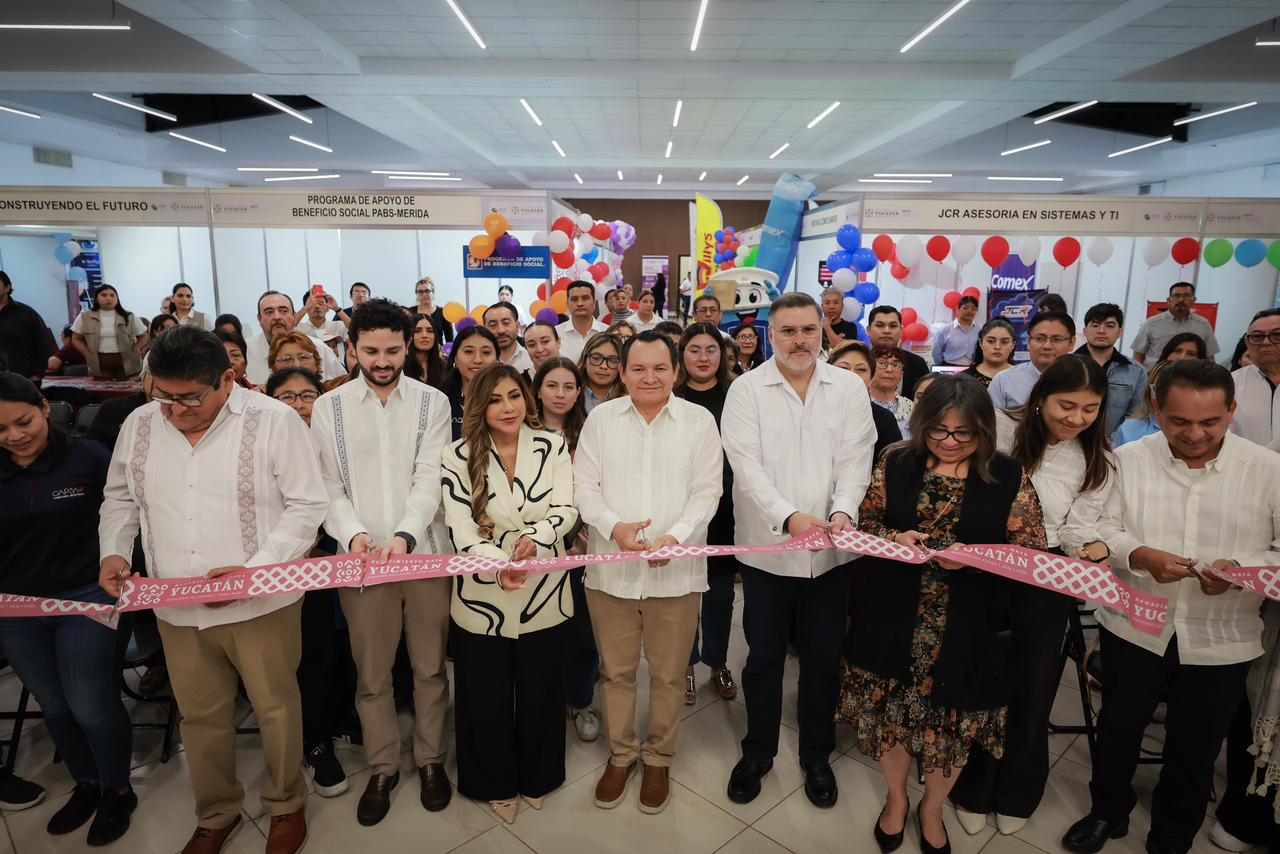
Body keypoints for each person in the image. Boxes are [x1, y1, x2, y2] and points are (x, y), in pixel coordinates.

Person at [98, 325, 326, 854]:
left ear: (227, 378)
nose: (176, 411)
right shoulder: (140, 423)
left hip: (261, 605)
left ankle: (286, 803)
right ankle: (216, 811)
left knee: (275, 708)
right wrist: (114, 551)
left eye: (190, 399)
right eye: (165, 396)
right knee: (200, 716)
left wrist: (255, 571)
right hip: (176, 606)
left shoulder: (273, 420)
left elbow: (307, 505)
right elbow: (120, 498)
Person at [1062, 360, 1280, 854]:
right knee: (1119, 727)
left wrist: (1240, 571)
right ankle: (1107, 811)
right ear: (1157, 410)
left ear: (1232, 411)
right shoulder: (1128, 459)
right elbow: (1089, 528)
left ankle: (1173, 834)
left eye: (1210, 422)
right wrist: (1138, 555)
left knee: (1197, 744)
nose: (1195, 434)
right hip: (1135, 623)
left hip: (1223, 635)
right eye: (1179, 421)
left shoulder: (1267, 469)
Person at [841, 376, 1047, 854]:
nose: (949, 442)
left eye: (963, 433)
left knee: (953, 724)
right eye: (938, 430)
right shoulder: (897, 461)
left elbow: (1030, 551)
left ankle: (932, 807)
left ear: (984, 430)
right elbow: (866, 521)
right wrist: (895, 539)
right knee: (893, 714)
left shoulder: (1007, 475)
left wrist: (973, 558)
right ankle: (896, 799)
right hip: (893, 613)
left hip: (969, 625)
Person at [720, 292, 877, 809]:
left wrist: (844, 511)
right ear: (771, 334)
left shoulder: (847, 387)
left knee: (823, 660)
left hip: (832, 552)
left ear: (821, 331)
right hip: (767, 552)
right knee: (763, 658)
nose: (799, 340)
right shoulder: (746, 390)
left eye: (808, 329)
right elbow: (747, 468)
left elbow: (857, 457)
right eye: (787, 331)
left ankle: (816, 754)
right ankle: (758, 750)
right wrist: (789, 518)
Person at [951, 356, 1114, 836]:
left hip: (1048, 577)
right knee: (982, 679)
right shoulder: (1000, 432)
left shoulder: (1098, 460)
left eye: (1089, 409)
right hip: (984, 570)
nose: (1076, 418)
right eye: (1067, 405)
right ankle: (970, 788)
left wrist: (1090, 550)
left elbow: (1079, 527)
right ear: (1041, 398)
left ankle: (1017, 791)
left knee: (1033, 686)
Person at [310, 298, 455, 826]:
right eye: (371, 351)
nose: (383, 360)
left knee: (430, 667)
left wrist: (405, 536)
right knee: (371, 674)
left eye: (393, 350)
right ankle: (382, 767)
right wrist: (352, 535)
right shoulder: (329, 408)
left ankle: (431, 759)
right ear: (353, 348)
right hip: (362, 564)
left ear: (408, 346)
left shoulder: (433, 402)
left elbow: (430, 476)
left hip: (425, 555)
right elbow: (327, 486)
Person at [574, 330, 723, 814]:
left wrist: (675, 537)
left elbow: (708, 492)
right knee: (616, 672)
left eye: (660, 368)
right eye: (637, 368)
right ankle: (621, 754)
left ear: (676, 371)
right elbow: (584, 487)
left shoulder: (699, 422)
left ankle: (659, 757)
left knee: (668, 674)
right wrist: (613, 528)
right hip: (611, 574)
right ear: (622, 373)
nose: (649, 377)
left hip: (676, 575)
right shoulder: (601, 420)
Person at [0, 373, 136, 846]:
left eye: (23, 422)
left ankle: (118, 790)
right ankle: (87, 782)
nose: (15, 436)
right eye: (1, 430)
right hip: (17, 608)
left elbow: (125, 514)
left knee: (90, 703)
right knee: (54, 704)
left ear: (44, 407)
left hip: (89, 594)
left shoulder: (87, 457)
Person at [441, 364, 578, 824]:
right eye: (495, 399)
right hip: (483, 592)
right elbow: (459, 525)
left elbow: (566, 508)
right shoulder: (457, 454)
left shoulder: (552, 443)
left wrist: (536, 539)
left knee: (542, 689)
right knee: (485, 694)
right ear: (478, 405)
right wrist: (497, 565)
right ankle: (492, 782)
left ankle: (539, 775)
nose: (507, 407)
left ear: (527, 398)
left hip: (544, 586)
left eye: (514, 396)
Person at [263, 367, 350, 799]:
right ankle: (306, 742)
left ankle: (330, 729)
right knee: (293, 661)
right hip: (274, 567)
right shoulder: (260, 444)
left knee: (330, 653)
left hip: (329, 563)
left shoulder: (332, 442)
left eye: (308, 395)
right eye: (287, 396)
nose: (298, 404)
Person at [532, 357, 599, 743]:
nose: (560, 394)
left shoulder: (590, 434)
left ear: (579, 393)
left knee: (581, 631)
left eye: (569, 387)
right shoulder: (520, 431)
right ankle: (543, 700)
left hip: (580, 548)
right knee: (541, 630)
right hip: (535, 547)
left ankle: (581, 700)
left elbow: (596, 488)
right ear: (538, 390)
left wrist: (579, 533)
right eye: (552, 385)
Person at [674, 324, 742, 704]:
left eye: (711, 350)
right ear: (682, 354)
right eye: (695, 350)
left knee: (720, 595)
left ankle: (717, 663)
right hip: (680, 508)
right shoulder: (671, 395)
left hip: (727, 509)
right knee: (684, 593)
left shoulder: (737, 394)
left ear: (723, 355)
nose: (703, 357)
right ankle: (684, 664)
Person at [245, 291, 346, 386]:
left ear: (294, 316)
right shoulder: (245, 350)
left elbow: (343, 386)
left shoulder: (319, 348)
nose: (277, 317)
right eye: (269, 312)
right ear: (259, 319)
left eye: (283, 311)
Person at [827, 341, 902, 462]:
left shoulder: (884, 419)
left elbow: (894, 465)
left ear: (871, 378)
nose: (852, 375)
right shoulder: (813, 410)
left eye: (861, 369)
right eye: (844, 368)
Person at [1077, 303, 1146, 434]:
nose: (1101, 331)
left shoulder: (1136, 371)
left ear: (1120, 332)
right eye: (1095, 325)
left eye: (1109, 326)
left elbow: (1136, 416)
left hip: (1114, 443)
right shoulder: (1065, 366)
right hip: (1069, 440)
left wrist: (1115, 441)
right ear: (1085, 331)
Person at [988, 311, 1075, 409]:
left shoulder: (1082, 381)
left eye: (1056, 339)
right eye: (1040, 338)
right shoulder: (1004, 381)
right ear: (1028, 342)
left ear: (1072, 343)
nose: (1047, 346)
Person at [1130, 282, 1220, 365]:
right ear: (1169, 300)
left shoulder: (1203, 324)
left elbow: (1209, 357)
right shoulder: (1151, 323)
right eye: (1176, 296)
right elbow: (1138, 354)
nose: (1181, 299)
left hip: (1190, 375)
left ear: (1194, 300)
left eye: (1186, 296)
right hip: (1156, 374)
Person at [71, 285, 148, 379]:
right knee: (102, 387)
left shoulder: (129, 316)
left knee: (128, 387)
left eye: (112, 295)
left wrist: (136, 349)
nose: (109, 298)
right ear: (96, 298)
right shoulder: (84, 317)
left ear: (117, 299)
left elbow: (144, 336)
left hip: (128, 364)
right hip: (99, 364)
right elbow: (76, 339)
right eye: (104, 295)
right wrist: (86, 353)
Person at [1231, 308, 1280, 446]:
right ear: (1247, 343)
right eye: (1257, 337)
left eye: (1277, 335)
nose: (1266, 342)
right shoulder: (1229, 384)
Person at [441, 325, 499, 440]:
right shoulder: (440, 399)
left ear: (497, 359)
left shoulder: (509, 397)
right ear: (455, 358)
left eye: (486, 352)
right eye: (468, 352)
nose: (477, 360)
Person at [0, 272, 52, 385]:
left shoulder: (26, 313)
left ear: (7, 287)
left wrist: (37, 374)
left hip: (23, 380)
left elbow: (43, 343)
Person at [867, 306, 929, 395]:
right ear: (868, 330)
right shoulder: (858, 359)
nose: (887, 331)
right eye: (880, 325)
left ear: (901, 330)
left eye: (893, 326)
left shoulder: (917, 363)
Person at [1111, 361, 1169, 448]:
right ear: (1149, 391)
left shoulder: (1189, 432)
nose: (1164, 396)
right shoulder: (1127, 429)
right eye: (1158, 388)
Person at [868, 345, 916, 437]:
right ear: (870, 368)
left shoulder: (910, 407)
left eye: (895, 365)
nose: (889, 370)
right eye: (882, 363)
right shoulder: (860, 402)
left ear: (901, 374)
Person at [556, 281, 607, 363]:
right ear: (567, 304)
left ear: (594, 303)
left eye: (585, 298)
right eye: (574, 299)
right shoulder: (555, 334)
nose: (579, 303)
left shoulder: (607, 332)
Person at [962, 319, 1016, 388]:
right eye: (991, 341)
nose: (997, 347)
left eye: (1004, 342)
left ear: (1012, 345)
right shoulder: (964, 379)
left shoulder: (1022, 377)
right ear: (981, 343)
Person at [579, 332, 625, 413]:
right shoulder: (571, 393)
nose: (604, 366)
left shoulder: (630, 398)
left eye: (612, 360)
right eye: (596, 358)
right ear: (584, 360)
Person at [484, 301, 533, 374]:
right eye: (493, 325)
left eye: (506, 323)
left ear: (517, 326)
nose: (501, 331)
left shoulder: (532, 357)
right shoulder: (480, 362)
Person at [931, 295, 981, 366]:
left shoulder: (980, 330)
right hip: (949, 366)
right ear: (958, 309)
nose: (969, 311)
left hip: (972, 367)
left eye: (973, 309)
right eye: (965, 308)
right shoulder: (945, 329)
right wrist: (942, 366)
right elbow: (936, 351)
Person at [404, 312, 447, 388]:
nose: (425, 335)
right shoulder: (401, 367)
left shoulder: (444, 366)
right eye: (418, 331)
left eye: (430, 331)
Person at [412, 277, 452, 343]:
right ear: (417, 295)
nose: (424, 294)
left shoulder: (443, 312)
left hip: (438, 349)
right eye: (420, 291)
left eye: (427, 291)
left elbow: (449, 339)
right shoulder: (410, 312)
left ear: (433, 293)